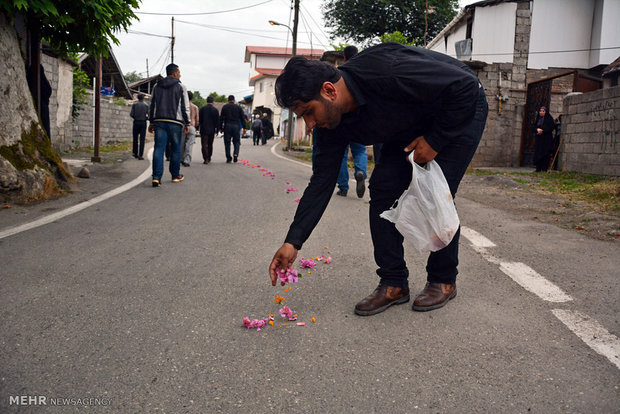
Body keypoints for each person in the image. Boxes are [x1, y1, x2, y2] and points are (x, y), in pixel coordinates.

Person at [268, 42, 488, 316]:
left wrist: (435, 140)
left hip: (458, 107)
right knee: (383, 190)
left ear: (329, 90)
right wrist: (293, 242)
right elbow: (322, 182)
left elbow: (465, 86)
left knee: (436, 191)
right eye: (303, 118)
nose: (310, 124)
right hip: (405, 125)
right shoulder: (330, 124)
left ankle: (443, 279)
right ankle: (394, 282)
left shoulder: (387, 70)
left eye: (309, 112)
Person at [148, 63, 190, 187]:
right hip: (175, 122)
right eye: (179, 72)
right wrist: (187, 122)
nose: (180, 75)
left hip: (159, 121)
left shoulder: (156, 86)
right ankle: (175, 175)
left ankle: (156, 177)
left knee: (159, 148)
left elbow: (152, 105)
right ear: (175, 73)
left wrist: (151, 121)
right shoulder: (181, 87)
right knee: (176, 148)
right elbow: (185, 106)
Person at [220, 95, 245, 163]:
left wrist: (220, 128)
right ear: (234, 100)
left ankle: (228, 157)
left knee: (227, 142)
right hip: (236, 126)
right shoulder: (238, 107)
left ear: (228, 100)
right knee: (236, 141)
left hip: (227, 125)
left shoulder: (225, 107)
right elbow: (242, 118)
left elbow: (221, 118)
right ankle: (235, 153)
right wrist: (244, 127)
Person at [532, 106, 555, 172]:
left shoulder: (549, 119)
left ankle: (544, 168)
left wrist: (542, 130)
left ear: (546, 112)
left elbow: (551, 127)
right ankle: (538, 168)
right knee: (538, 153)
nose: (541, 112)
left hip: (546, 140)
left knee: (545, 154)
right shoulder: (538, 119)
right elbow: (533, 127)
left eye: (543, 111)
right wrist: (537, 130)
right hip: (539, 139)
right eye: (540, 111)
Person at [198, 96, 220, 164]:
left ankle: (205, 158)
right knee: (210, 144)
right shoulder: (215, 110)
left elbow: (200, 120)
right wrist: (217, 130)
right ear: (213, 102)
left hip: (204, 129)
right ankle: (209, 157)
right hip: (212, 129)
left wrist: (198, 127)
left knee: (204, 144)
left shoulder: (202, 109)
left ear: (206, 101)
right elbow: (217, 121)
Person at [180, 90, 199, 167]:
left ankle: (180, 159)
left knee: (181, 143)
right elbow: (197, 119)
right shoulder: (195, 107)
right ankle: (187, 160)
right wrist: (195, 126)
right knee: (189, 144)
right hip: (191, 126)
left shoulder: (182, 106)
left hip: (182, 126)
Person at [130, 94, 149, 160]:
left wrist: (136, 117)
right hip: (143, 122)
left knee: (135, 138)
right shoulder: (146, 105)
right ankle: (140, 155)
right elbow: (148, 115)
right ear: (143, 98)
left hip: (136, 122)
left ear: (138, 98)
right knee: (142, 139)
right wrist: (145, 118)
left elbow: (131, 114)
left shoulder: (134, 105)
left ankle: (135, 153)